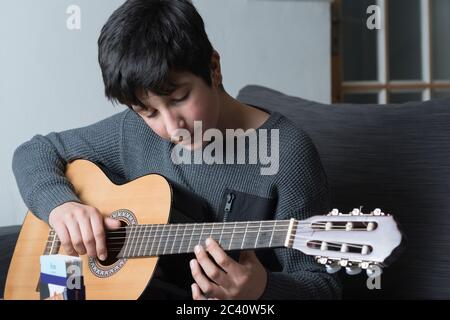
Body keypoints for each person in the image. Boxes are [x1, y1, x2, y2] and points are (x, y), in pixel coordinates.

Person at [12, 0, 341, 300]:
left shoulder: (288, 155)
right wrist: (62, 206)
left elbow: (325, 288)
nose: (172, 127)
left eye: (179, 98)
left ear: (213, 68)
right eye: (149, 112)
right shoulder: (133, 132)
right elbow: (36, 152)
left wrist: (263, 289)